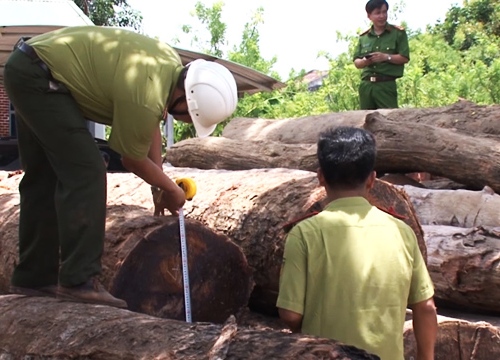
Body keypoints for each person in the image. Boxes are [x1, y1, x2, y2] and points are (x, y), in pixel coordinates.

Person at [4, 26, 238, 308]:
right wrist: (170, 191)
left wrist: (159, 182)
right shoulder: (145, 95)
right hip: (40, 78)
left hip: (28, 66)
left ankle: (33, 278)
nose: (187, 122)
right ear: (185, 101)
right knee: (87, 170)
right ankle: (79, 281)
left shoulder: (165, 67)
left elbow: (150, 126)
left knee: (44, 176)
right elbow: (131, 158)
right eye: (190, 118)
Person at [276, 126, 437, 360]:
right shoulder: (401, 231)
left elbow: (290, 315)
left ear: (320, 177)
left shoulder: (303, 234)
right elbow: (426, 308)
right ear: (372, 179)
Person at [353, 0, 410, 110]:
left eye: (384, 12)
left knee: (389, 119)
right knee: (365, 121)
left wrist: (386, 57)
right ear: (369, 16)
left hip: (386, 85)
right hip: (366, 86)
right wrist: (365, 61)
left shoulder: (397, 33)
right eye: (378, 13)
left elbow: (404, 57)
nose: (382, 16)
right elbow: (357, 62)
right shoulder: (364, 37)